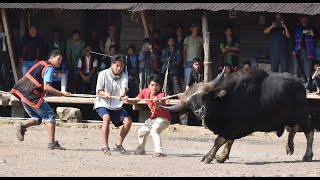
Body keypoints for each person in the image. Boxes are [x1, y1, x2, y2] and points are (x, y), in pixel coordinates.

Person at [11, 49, 70, 149]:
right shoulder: (50, 68)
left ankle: (22, 127)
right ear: (51, 58)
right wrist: (62, 93)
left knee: (37, 119)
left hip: (23, 94)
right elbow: (47, 87)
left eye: (61, 60)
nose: (60, 62)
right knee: (50, 116)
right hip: (32, 95)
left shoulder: (42, 63)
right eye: (58, 59)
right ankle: (52, 143)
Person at [94, 55, 132, 155]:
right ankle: (105, 146)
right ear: (112, 64)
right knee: (106, 118)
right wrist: (104, 94)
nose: (119, 68)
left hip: (117, 105)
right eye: (117, 65)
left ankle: (118, 144)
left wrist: (123, 95)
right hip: (102, 103)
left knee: (128, 122)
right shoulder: (103, 74)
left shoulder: (124, 75)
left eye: (121, 66)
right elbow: (98, 91)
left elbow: (124, 88)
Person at [126, 74, 172, 157]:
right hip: (153, 118)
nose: (154, 87)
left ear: (160, 86)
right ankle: (140, 149)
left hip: (164, 118)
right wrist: (128, 100)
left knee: (154, 131)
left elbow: (158, 106)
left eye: (157, 85)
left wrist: (157, 101)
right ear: (149, 85)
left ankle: (159, 151)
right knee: (141, 132)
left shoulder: (162, 95)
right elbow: (135, 100)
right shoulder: (145, 91)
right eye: (152, 85)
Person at [292, 15, 316, 83]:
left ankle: (308, 86)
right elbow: (293, 40)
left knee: (307, 70)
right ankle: (298, 85)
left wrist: (311, 33)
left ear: (308, 20)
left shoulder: (312, 28)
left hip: (308, 51)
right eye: (302, 19)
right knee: (298, 69)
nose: (303, 20)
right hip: (297, 51)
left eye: (305, 19)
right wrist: (293, 49)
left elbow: (316, 37)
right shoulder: (296, 29)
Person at [183, 23, 203, 87]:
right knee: (187, 80)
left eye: (197, 28)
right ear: (191, 29)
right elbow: (184, 51)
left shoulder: (201, 39)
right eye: (194, 28)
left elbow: (204, 50)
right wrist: (184, 61)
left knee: (198, 79)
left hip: (198, 62)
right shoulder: (187, 39)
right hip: (189, 61)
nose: (196, 30)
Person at [66, 29, 85, 93]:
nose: (76, 37)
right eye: (74, 35)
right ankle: (71, 89)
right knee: (71, 74)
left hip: (80, 62)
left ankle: (78, 90)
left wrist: (80, 63)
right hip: (71, 62)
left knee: (78, 74)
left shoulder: (82, 43)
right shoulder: (69, 42)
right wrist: (69, 63)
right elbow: (68, 53)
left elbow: (83, 54)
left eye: (77, 35)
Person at [0, 22, 10, 91]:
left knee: (5, 71)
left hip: (5, 54)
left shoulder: (7, 35)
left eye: (0, 27)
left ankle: (5, 88)